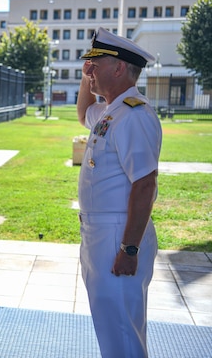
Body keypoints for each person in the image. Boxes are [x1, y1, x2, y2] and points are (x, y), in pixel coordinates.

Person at [77, 27, 162, 358]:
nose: (90, 70)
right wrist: (88, 80)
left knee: (123, 330)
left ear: (119, 68)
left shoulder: (133, 114)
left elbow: (144, 185)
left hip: (119, 235)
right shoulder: (111, 111)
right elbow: (83, 114)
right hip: (101, 233)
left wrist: (129, 248)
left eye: (95, 65)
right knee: (111, 324)